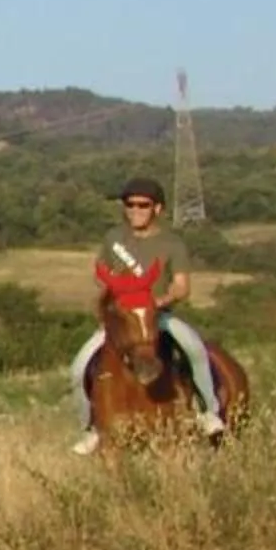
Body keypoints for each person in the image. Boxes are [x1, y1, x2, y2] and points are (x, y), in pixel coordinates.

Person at [69, 174, 223, 454]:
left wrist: (158, 301)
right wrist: (116, 294)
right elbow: (100, 276)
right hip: (122, 318)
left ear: (157, 208)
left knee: (194, 348)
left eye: (143, 205)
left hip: (156, 316)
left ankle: (207, 411)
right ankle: (90, 428)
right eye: (130, 205)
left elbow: (181, 286)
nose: (135, 210)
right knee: (79, 368)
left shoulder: (171, 244)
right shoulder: (114, 238)